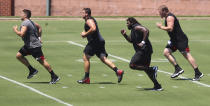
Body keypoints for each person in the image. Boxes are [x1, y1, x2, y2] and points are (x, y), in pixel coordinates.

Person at [156, 5, 203, 81]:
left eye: (160, 12)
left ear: (164, 11)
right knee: (166, 52)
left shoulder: (169, 17)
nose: (159, 14)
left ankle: (198, 73)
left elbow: (170, 28)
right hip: (174, 40)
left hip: (180, 40)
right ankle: (177, 68)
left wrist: (161, 27)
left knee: (186, 55)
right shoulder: (167, 17)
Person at [77, 8, 124, 84]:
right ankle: (118, 71)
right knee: (103, 58)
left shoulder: (89, 20)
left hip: (94, 42)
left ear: (86, 14)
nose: (81, 14)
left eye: (82, 12)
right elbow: (92, 30)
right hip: (100, 41)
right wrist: (85, 33)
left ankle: (86, 78)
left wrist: (85, 34)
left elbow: (93, 28)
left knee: (85, 57)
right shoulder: (90, 20)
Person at [13, 9, 60, 84]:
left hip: (34, 47)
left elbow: (21, 34)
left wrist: (15, 30)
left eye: (21, 14)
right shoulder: (30, 22)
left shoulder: (25, 23)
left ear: (25, 15)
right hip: (29, 46)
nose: (20, 15)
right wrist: (39, 38)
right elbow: (39, 27)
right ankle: (32, 70)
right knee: (19, 56)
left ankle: (54, 76)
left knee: (42, 61)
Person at [121, 17, 162, 91]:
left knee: (132, 65)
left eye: (127, 23)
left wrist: (143, 42)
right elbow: (131, 40)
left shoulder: (136, 27)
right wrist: (125, 35)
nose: (127, 25)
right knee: (145, 68)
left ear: (131, 22)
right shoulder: (134, 29)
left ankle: (152, 69)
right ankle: (157, 85)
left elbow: (146, 30)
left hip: (143, 50)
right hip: (145, 50)